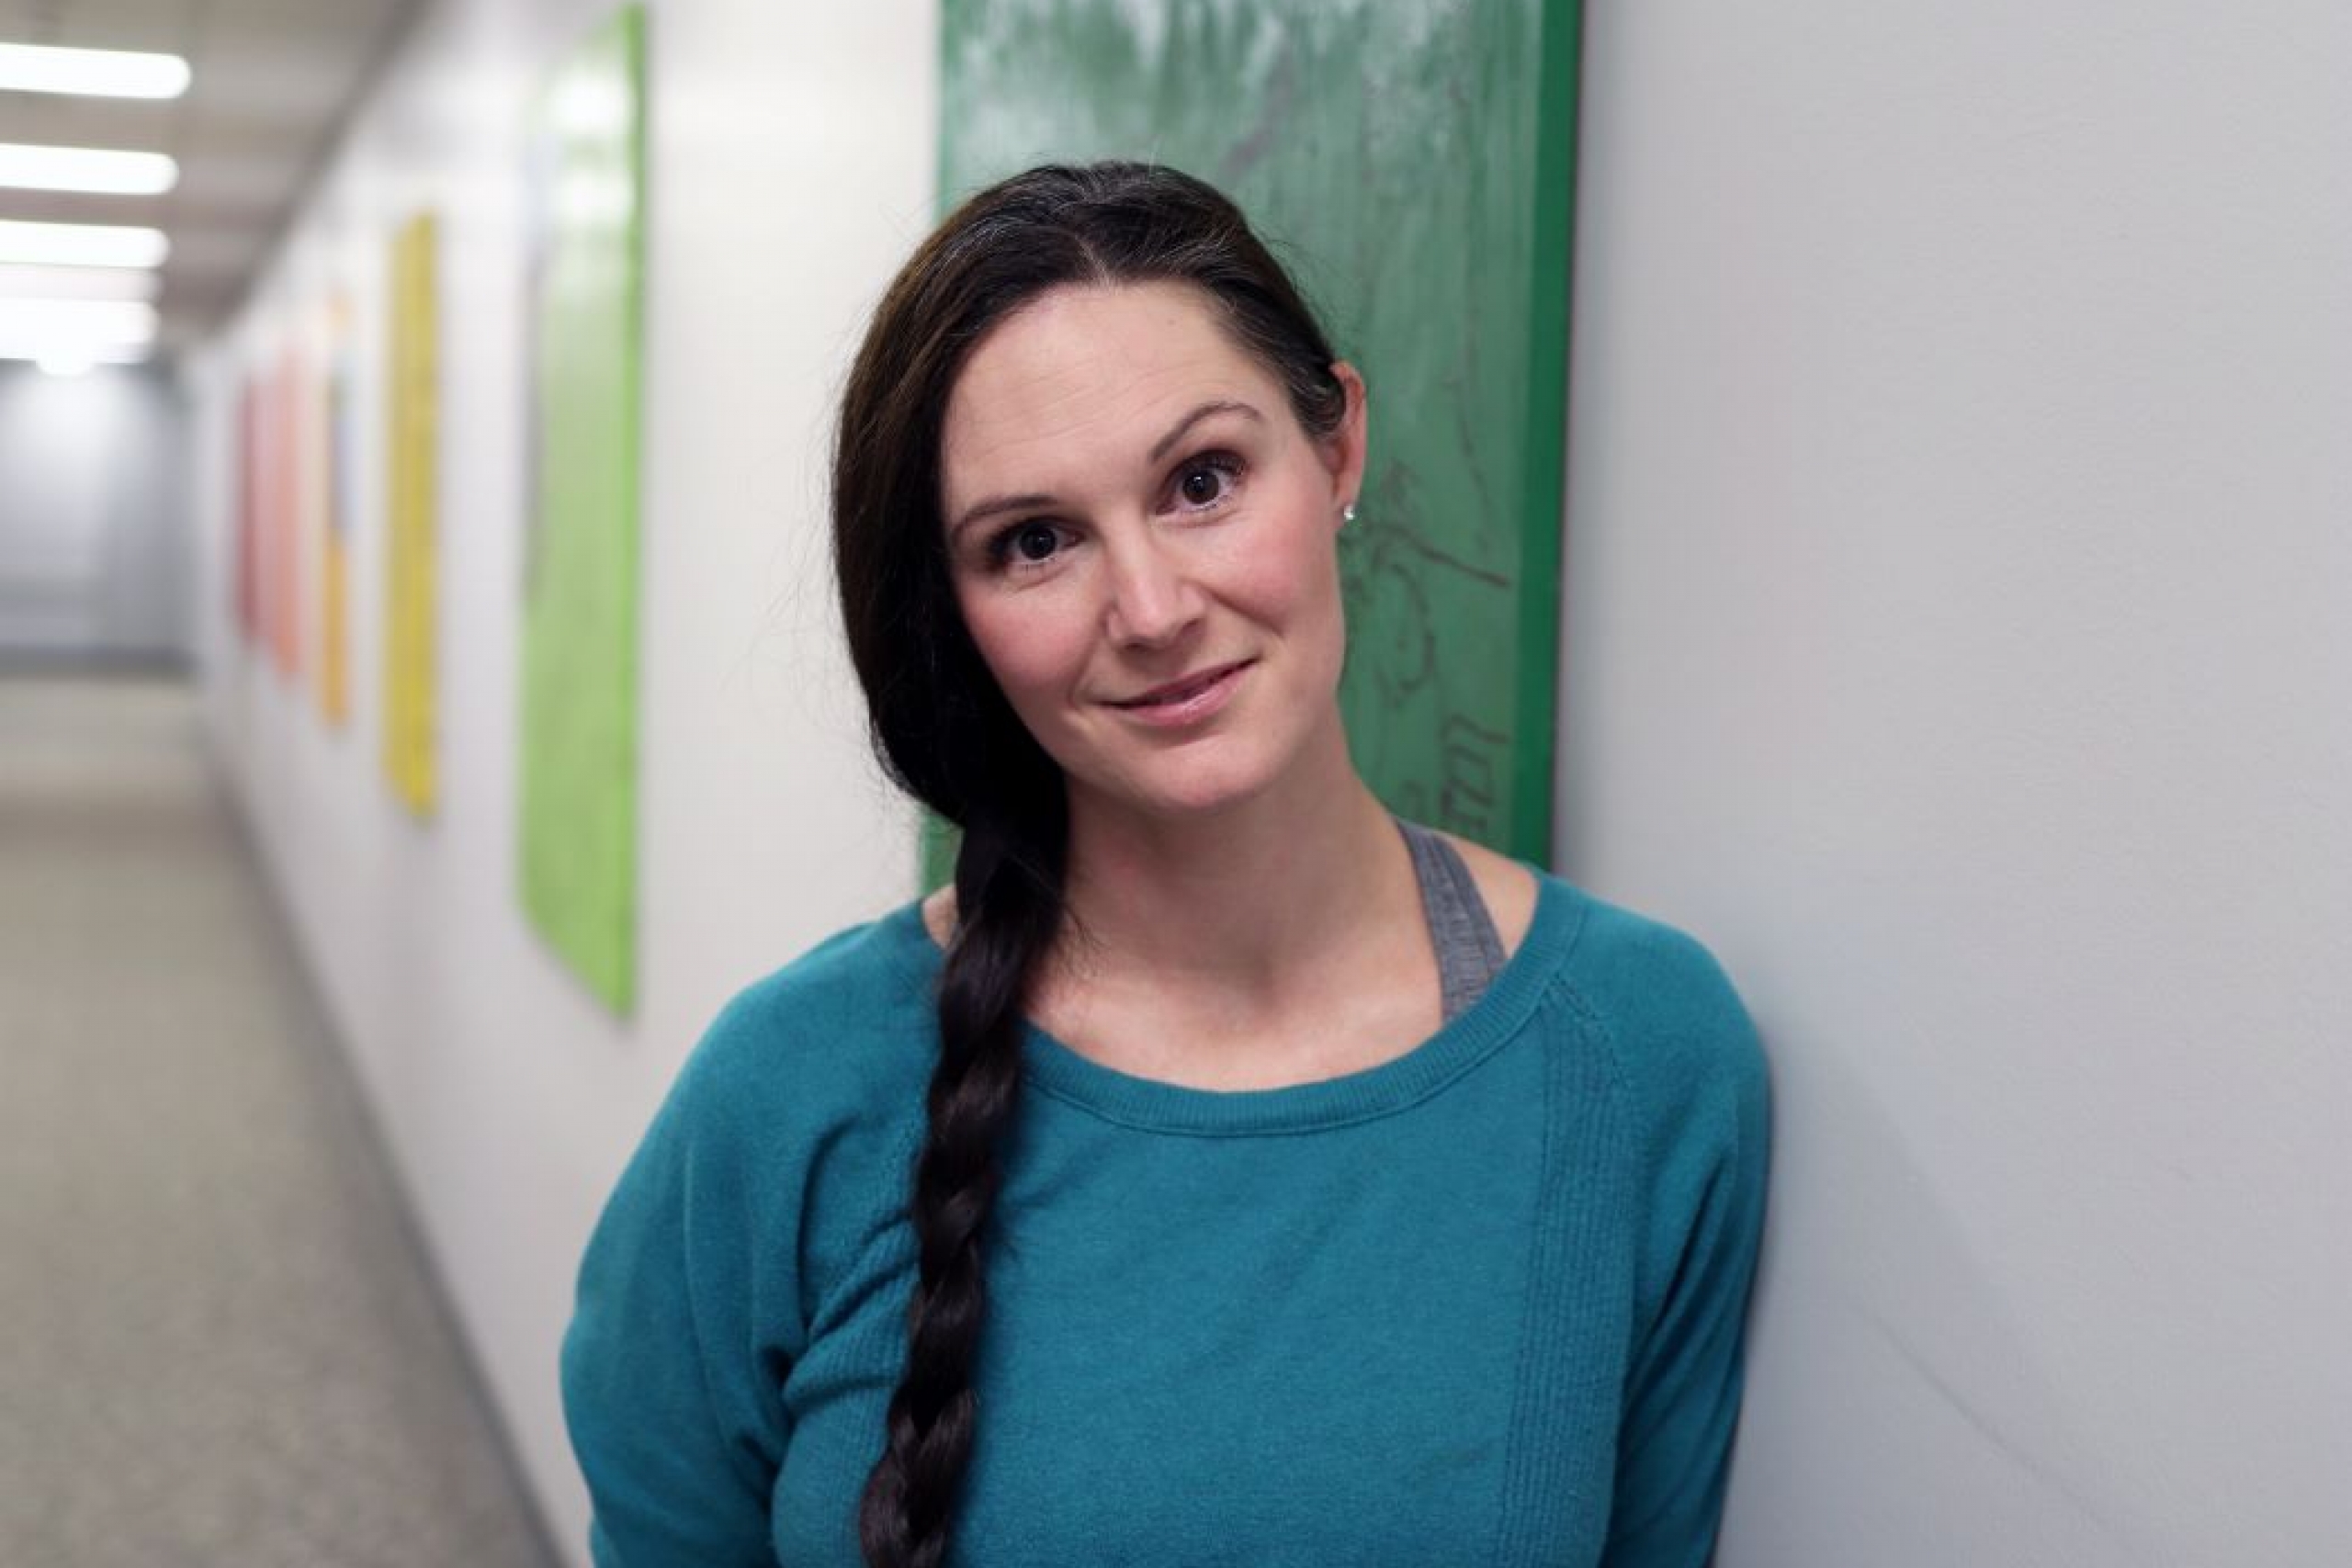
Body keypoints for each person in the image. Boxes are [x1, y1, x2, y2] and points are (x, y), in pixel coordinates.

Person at [560, 161, 1770, 1568]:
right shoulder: (789, 1096)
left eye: (1203, 482)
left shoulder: (1639, 1056)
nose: (1148, 609)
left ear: (1338, 450)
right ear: (953, 610)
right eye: (1034, 542)